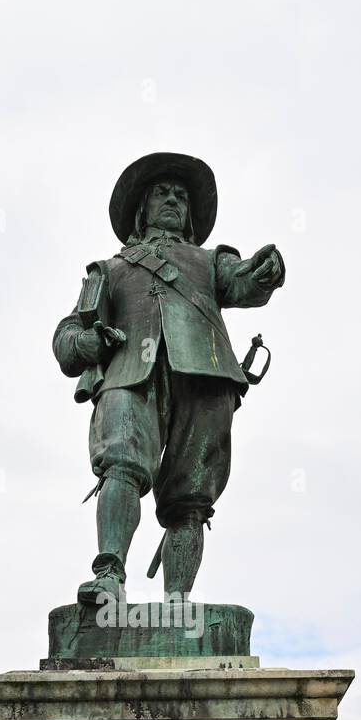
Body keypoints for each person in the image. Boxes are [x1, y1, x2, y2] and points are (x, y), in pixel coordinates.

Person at [53, 153, 286, 603]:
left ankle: (178, 602)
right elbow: (67, 336)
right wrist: (88, 344)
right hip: (130, 372)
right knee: (121, 462)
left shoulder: (211, 260)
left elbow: (242, 284)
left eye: (181, 196)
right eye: (162, 192)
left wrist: (262, 274)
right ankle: (109, 575)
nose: (174, 200)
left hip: (205, 374)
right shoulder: (111, 270)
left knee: (190, 497)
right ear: (142, 207)